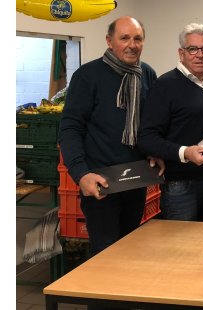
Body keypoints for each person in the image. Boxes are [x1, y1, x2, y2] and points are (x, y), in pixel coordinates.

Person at [59, 16, 163, 256]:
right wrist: (81, 173)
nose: (132, 44)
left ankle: (123, 294)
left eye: (137, 38)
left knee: (129, 249)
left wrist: (153, 152)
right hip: (101, 182)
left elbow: (149, 122)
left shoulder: (146, 73)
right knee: (105, 254)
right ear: (109, 41)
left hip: (135, 180)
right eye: (124, 38)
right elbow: (70, 128)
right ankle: (102, 295)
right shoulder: (88, 75)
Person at [137, 23, 203, 223]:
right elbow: (147, 139)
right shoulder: (165, 85)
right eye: (192, 49)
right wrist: (185, 152)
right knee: (181, 249)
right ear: (181, 53)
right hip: (181, 186)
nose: (200, 54)